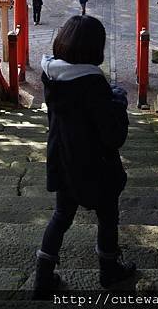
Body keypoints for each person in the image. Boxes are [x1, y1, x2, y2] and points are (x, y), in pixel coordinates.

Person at [33, 15, 136, 299]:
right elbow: (112, 135)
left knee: (61, 216)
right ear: (95, 48)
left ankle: (43, 276)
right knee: (107, 217)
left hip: (64, 160)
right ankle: (109, 269)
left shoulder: (52, 76)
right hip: (96, 166)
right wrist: (118, 101)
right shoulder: (92, 83)